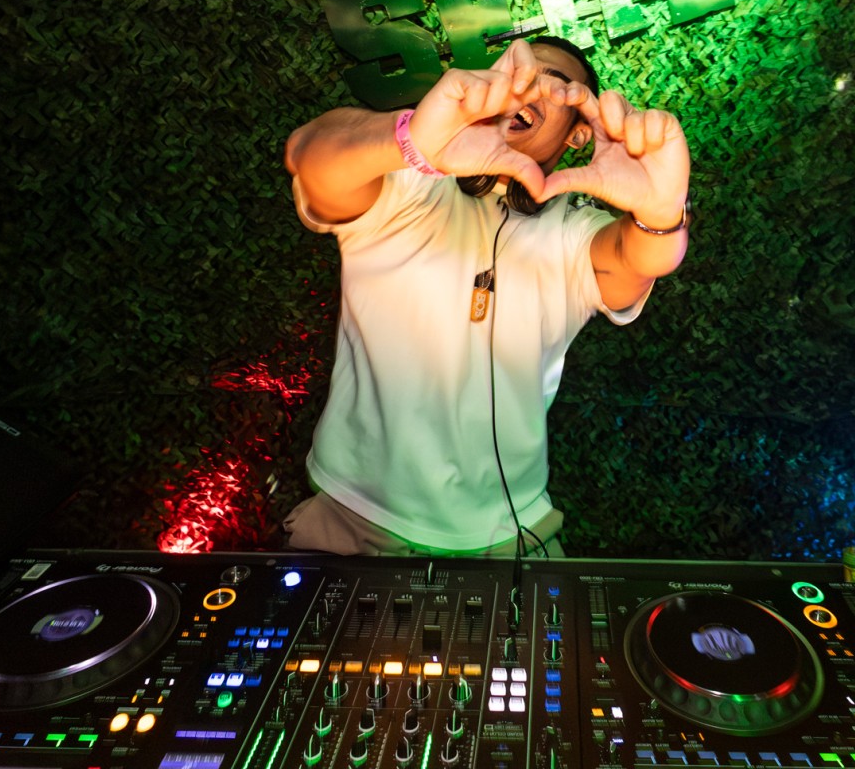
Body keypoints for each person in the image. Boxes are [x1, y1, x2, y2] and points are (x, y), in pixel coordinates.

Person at [279, 36, 690, 556]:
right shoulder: (407, 181)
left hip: (511, 536)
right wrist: (411, 140)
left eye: (555, 83)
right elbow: (309, 151)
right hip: (352, 518)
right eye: (519, 73)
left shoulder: (574, 234)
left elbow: (639, 260)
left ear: (579, 133)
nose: (530, 86)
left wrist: (661, 212)